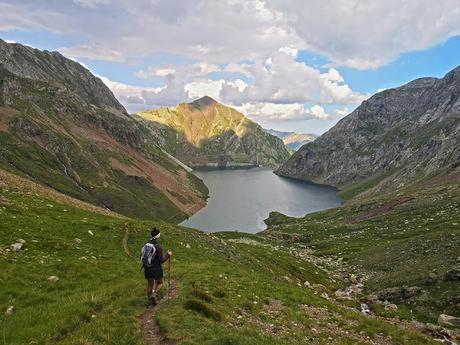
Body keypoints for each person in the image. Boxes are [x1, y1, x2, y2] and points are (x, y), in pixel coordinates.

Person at [140, 227, 172, 305]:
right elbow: (161, 260)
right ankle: (154, 294)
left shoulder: (147, 244)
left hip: (147, 267)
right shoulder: (158, 247)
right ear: (158, 236)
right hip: (156, 268)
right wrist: (168, 255)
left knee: (150, 284)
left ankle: (149, 300)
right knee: (160, 283)